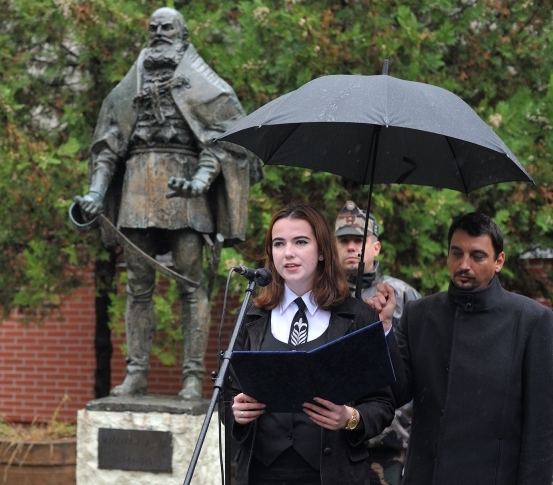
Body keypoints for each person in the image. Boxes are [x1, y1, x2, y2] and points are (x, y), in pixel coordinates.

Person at [74, 7, 257, 400]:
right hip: (138, 188)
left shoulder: (205, 85)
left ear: (183, 35)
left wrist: (200, 181)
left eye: (166, 28)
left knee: (191, 284)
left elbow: (223, 140)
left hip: (185, 194)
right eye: (152, 28)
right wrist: (94, 192)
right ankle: (136, 372)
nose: (158, 33)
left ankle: (192, 376)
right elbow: (108, 147)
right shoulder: (128, 87)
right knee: (138, 285)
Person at [379, 212, 553, 484]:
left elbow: (540, 429)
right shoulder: (420, 314)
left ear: (499, 261)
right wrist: (385, 329)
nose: (464, 264)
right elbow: (397, 392)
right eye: (456, 253)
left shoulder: (532, 320)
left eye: (477, 256)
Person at [229, 203, 395, 485]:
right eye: (278, 243)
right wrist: (236, 413)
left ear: (321, 251)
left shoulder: (358, 316)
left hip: (331, 474)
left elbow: (382, 402)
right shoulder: (251, 317)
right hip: (261, 474)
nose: (288, 252)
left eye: (301, 242)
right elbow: (226, 393)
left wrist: (350, 417)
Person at [333, 200, 419, 484]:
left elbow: (417, 372)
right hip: (334, 441)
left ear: (376, 247)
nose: (351, 247)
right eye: (343, 240)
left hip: (389, 444)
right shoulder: (322, 299)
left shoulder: (402, 296)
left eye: (359, 239)